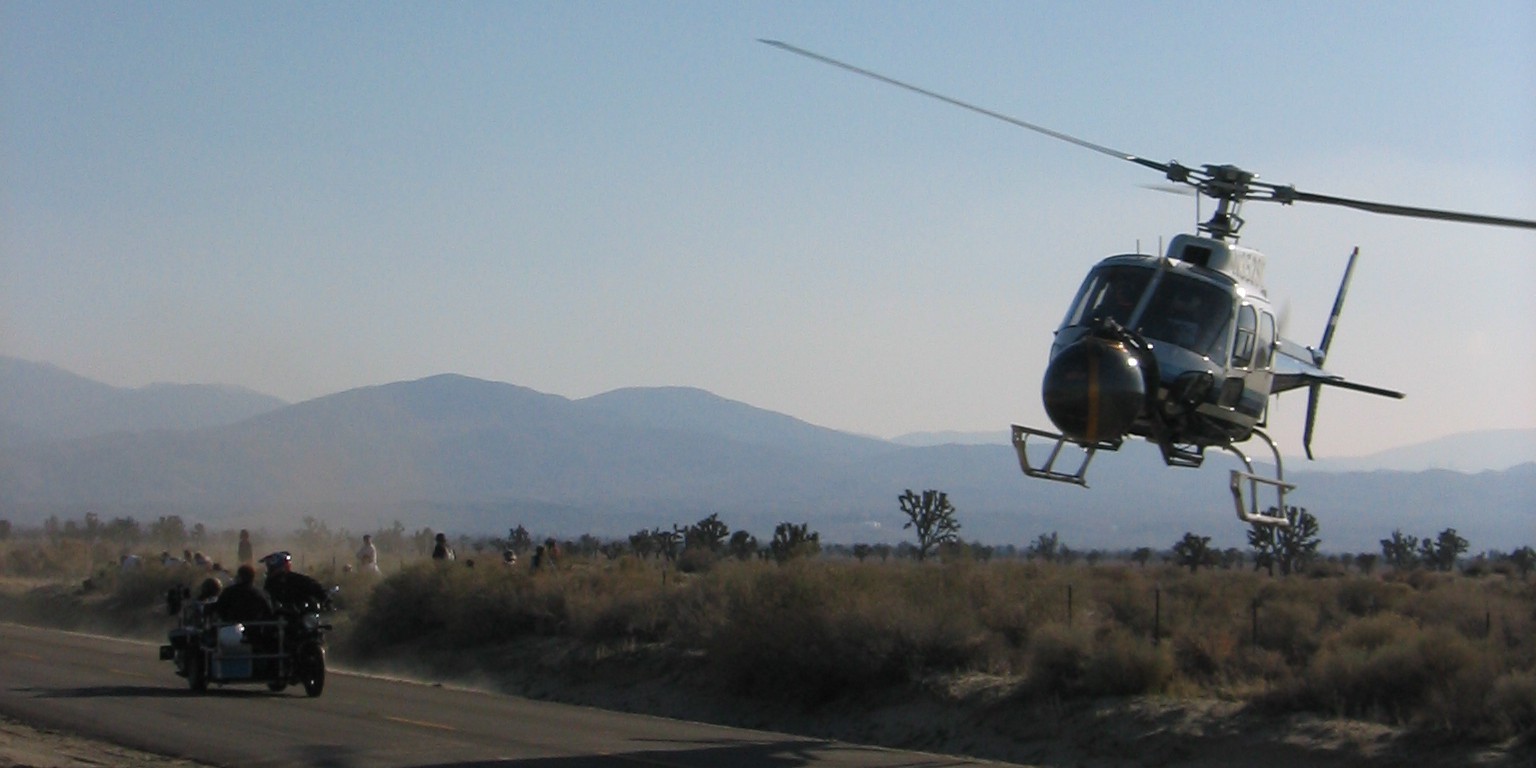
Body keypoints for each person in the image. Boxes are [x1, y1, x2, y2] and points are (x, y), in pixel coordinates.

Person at [261, 552, 329, 610]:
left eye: (270, 567)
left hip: (299, 618)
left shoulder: (297, 579)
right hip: (278, 619)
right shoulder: (269, 583)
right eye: (268, 567)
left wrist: (325, 599)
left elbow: (314, 587)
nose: (269, 570)